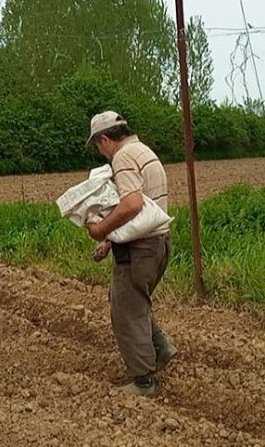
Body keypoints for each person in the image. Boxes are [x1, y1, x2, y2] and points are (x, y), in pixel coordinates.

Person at [84, 111, 178, 397]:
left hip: (139, 251)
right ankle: (161, 346)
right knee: (133, 301)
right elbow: (146, 211)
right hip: (158, 243)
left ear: (105, 139)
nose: (100, 153)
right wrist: (110, 243)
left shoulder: (123, 157)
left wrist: (101, 229)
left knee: (125, 313)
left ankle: (143, 381)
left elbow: (133, 204)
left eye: (98, 146)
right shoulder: (143, 150)